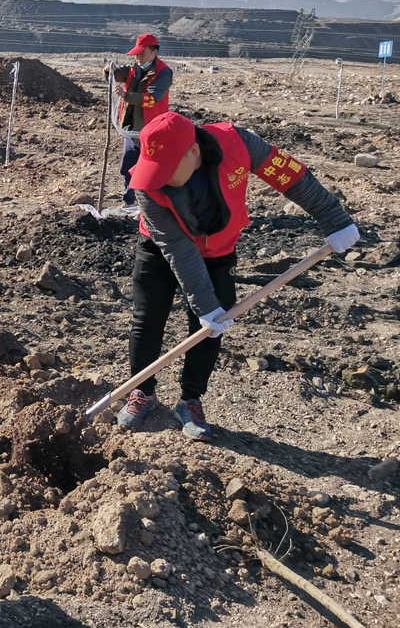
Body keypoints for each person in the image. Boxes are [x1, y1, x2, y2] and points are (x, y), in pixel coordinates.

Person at [116, 112, 359, 441]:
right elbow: (176, 245)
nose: (157, 177)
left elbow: (290, 176)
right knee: (148, 317)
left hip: (218, 250)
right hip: (161, 248)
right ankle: (141, 391)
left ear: (193, 151)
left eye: (166, 168)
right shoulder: (148, 184)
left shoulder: (238, 143)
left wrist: (333, 217)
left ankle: (190, 400)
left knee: (211, 329)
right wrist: (204, 302)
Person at [105, 34, 173, 206]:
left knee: (148, 170)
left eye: (142, 54)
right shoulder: (135, 69)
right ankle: (129, 201)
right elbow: (119, 75)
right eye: (136, 54)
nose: (138, 58)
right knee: (127, 166)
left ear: (154, 53)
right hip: (132, 128)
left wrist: (126, 96)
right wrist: (109, 71)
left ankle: (151, 205)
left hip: (152, 129)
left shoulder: (163, 73)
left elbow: (152, 98)